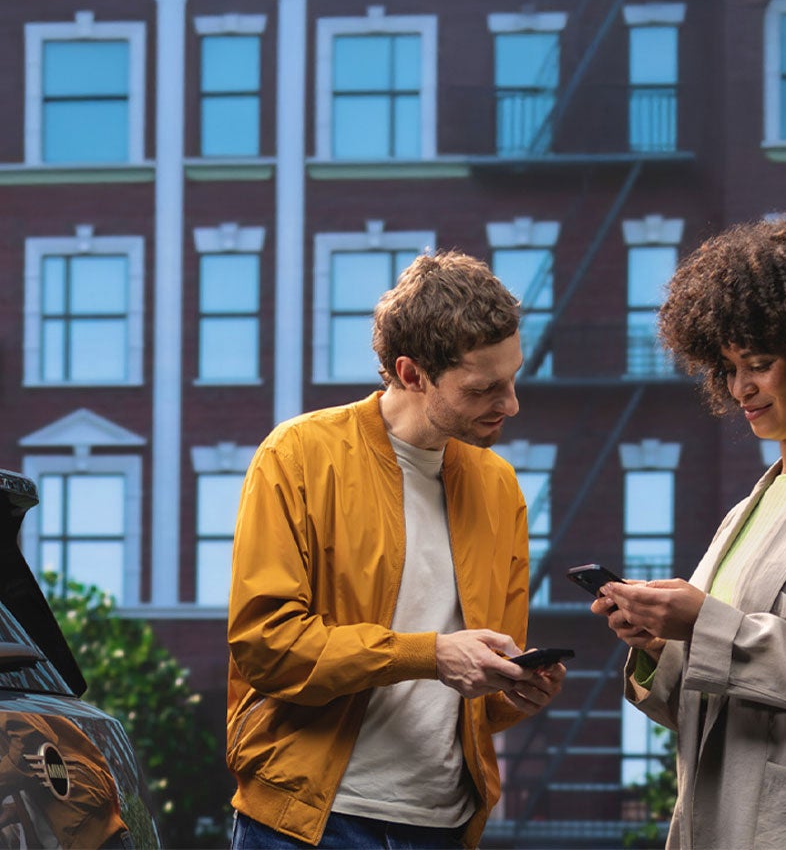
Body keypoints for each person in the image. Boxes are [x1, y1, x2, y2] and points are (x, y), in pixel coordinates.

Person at [226, 250, 566, 849]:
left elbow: (475, 690)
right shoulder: (298, 456)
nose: (510, 404)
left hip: (445, 826)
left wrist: (516, 689)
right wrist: (427, 654)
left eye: (513, 378)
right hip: (308, 824)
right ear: (411, 374)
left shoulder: (499, 486)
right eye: (485, 388)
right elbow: (267, 646)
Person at [592, 211, 786, 849]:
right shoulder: (746, 512)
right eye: (727, 367)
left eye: (760, 363)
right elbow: (714, 699)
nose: (740, 387)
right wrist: (663, 646)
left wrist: (707, 625)